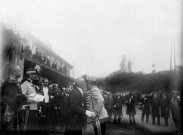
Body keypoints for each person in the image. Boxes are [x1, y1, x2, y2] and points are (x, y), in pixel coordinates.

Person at [1, 65, 27, 133]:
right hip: (10, 109)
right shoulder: (10, 81)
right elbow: (10, 97)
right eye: (18, 70)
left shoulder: (14, 81)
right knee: (9, 128)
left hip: (14, 109)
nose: (20, 72)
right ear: (13, 72)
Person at [21, 68, 39, 133]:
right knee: (27, 128)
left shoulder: (33, 85)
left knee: (32, 128)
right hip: (28, 109)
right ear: (29, 74)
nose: (35, 75)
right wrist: (32, 99)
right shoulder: (25, 84)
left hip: (34, 108)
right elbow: (22, 96)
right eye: (34, 74)